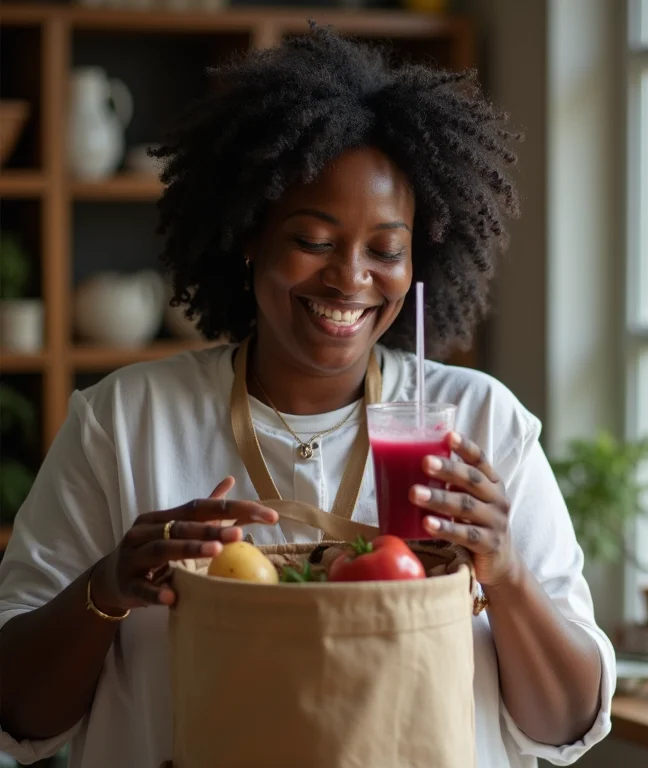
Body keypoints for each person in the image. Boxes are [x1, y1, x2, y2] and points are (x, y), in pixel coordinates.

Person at [0, 24, 615, 768]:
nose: (350, 278)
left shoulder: (481, 422)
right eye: (315, 240)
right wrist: (110, 583)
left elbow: (569, 724)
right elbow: (19, 714)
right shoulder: (124, 422)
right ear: (251, 233)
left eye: (385, 249)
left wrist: (507, 573)